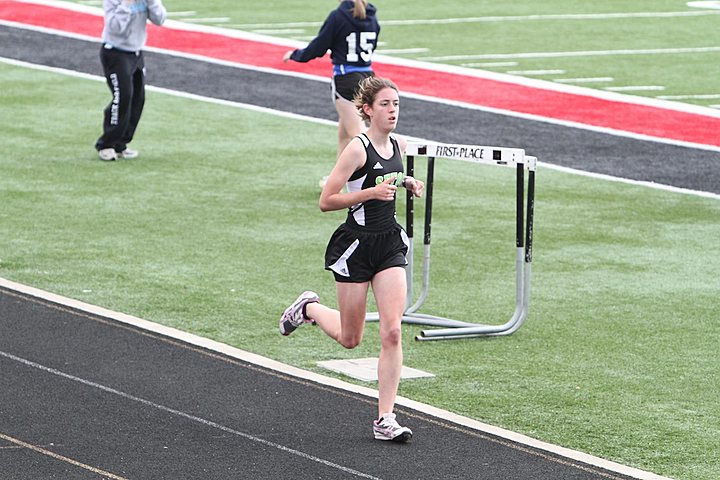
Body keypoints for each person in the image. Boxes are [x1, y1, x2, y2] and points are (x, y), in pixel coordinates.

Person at [280, 77, 424, 443]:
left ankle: (385, 419)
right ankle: (310, 308)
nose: (393, 111)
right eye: (386, 105)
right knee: (350, 338)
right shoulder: (357, 149)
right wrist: (372, 193)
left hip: (389, 243)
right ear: (367, 110)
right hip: (356, 245)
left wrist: (406, 182)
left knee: (392, 330)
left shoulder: (398, 145)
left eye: (396, 104)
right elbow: (327, 200)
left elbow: (388, 173)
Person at [282, 0, 380, 185]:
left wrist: (295, 55)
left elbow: (319, 47)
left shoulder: (338, 16)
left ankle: (376, 179)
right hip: (368, 76)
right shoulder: (371, 16)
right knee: (344, 133)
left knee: (358, 135)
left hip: (345, 79)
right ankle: (336, 180)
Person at [95, 0, 167, 161]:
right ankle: (106, 144)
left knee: (137, 99)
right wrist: (126, 4)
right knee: (123, 96)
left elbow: (160, 19)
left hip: (136, 52)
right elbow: (115, 28)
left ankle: (121, 143)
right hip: (115, 53)